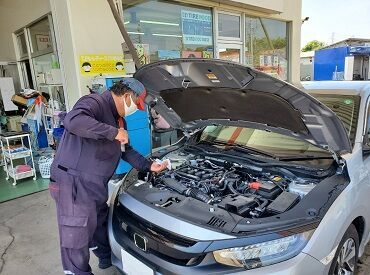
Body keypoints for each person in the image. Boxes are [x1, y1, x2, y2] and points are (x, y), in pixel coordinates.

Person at [49, 78, 168, 275]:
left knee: (100, 224)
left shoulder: (119, 120)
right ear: (127, 96)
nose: (134, 110)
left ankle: (106, 258)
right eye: (136, 105)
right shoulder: (94, 102)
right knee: (76, 235)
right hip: (73, 183)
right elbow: (73, 121)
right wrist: (112, 132)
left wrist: (149, 166)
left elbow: (126, 151)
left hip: (95, 184)